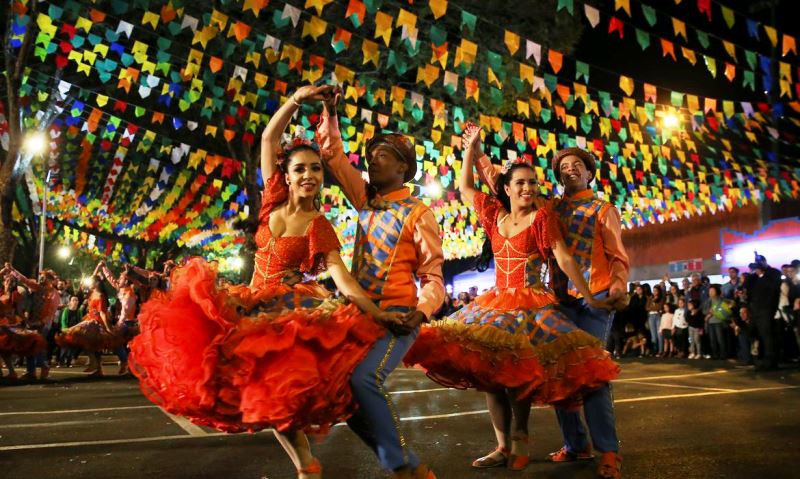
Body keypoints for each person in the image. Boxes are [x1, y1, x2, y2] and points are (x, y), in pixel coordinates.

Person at [131, 85, 402, 479]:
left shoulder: (319, 225)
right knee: (252, 392)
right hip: (249, 302)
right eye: (300, 169)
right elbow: (269, 138)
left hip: (288, 313)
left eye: (315, 168)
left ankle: (327, 466)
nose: (309, 175)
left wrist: (378, 313)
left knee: (277, 392)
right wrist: (299, 98)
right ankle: (306, 464)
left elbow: (343, 280)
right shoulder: (271, 200)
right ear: (286, 177)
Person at [404, 128, 618, 473]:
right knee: (490, 375)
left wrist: (591, 295)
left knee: (519, 374)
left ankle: (521, 441)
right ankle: (502, 445)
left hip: (532, 305)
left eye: (532, 183)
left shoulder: (542, 217)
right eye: (520, 183)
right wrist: (470, 150)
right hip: (494, 303)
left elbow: (563, 258)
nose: (528, 188)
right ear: (506, 188)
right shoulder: (493, 215)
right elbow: (466, 188)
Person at [317, 86, 444, 479]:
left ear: (403, 168)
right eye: (371, 157)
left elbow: (434, 276)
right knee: (341, 395)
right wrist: (329, 111)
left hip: (398, 318)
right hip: (356, 315)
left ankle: (399, 466)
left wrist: (420, 313)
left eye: (383, 157)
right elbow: (333, 156)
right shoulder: (365, 199)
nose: (373, 162)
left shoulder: (419, 213)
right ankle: (408, 465)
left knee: (363, 378)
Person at [57, 268, 124, 377]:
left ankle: (95, 364)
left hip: (95, 323)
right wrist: (97, 267)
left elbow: (102, 313)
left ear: (96, 283)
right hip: (89, 320)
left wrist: (107, 328)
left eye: (92, 281)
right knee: (92, 345)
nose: (90, 283)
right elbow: (92, 278)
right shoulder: (92, 293)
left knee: (88, 343)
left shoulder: (100, 296)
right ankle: (98, 369)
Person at [745, 255, 782, 370]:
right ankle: (759, 360)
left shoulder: (773, 273)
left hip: (767, 309)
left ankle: (770, 362)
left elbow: (773, 287)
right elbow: (748, 287)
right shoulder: (754, 277)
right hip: (755, 309)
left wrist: (762, 273)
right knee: (755, 334)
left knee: (767, 336)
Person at [705, 285, 733, 360]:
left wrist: (715, 312)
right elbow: (704, 310)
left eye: (712, 291)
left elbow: (731, 303)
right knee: (712, 340)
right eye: (709, 291)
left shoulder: (721, 299)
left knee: (720, 339)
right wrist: (708, 313)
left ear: (716, 291)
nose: (710, 292)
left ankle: (723, 355)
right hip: (710, 322)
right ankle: (715, 354)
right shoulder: (708, 300)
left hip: (719, 321)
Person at [58, 295, 83, 367]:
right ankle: (61, 362)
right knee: (65, 348)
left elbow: (80, 321)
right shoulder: (66, 310)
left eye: (76, 300)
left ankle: (68, 362)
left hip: (75, 331)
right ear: (70, 302)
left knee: (72, 348)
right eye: (73, 300)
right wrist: (66, 330)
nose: (75, 302)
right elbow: (63, 321)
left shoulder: (79, 311)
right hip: (67, 331)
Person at [646, 285, 666, 356]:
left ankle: (660, 351)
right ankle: (654, 350)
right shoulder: (650, 298)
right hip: (651, 316)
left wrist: (653, 307)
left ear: (659, 291)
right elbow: (647, 308)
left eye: (656, 291)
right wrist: (654, 307)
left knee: (659, 334)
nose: (654, 292)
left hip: (658, 316)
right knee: (653, 335)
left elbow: (659, 307)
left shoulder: (661, 298)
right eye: (653, 290)